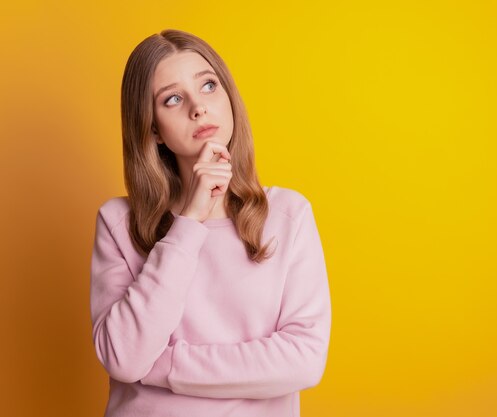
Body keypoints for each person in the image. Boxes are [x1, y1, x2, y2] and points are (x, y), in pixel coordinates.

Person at [89, 28, 331, 417]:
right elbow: (124, 357)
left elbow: (304, 358)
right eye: (172, 99)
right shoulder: (119, 223)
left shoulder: (288, 215)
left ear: (229, 98)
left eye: (208, 86)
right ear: (152, 128)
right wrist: (189, 221)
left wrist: (164, 366)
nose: (198, 108)